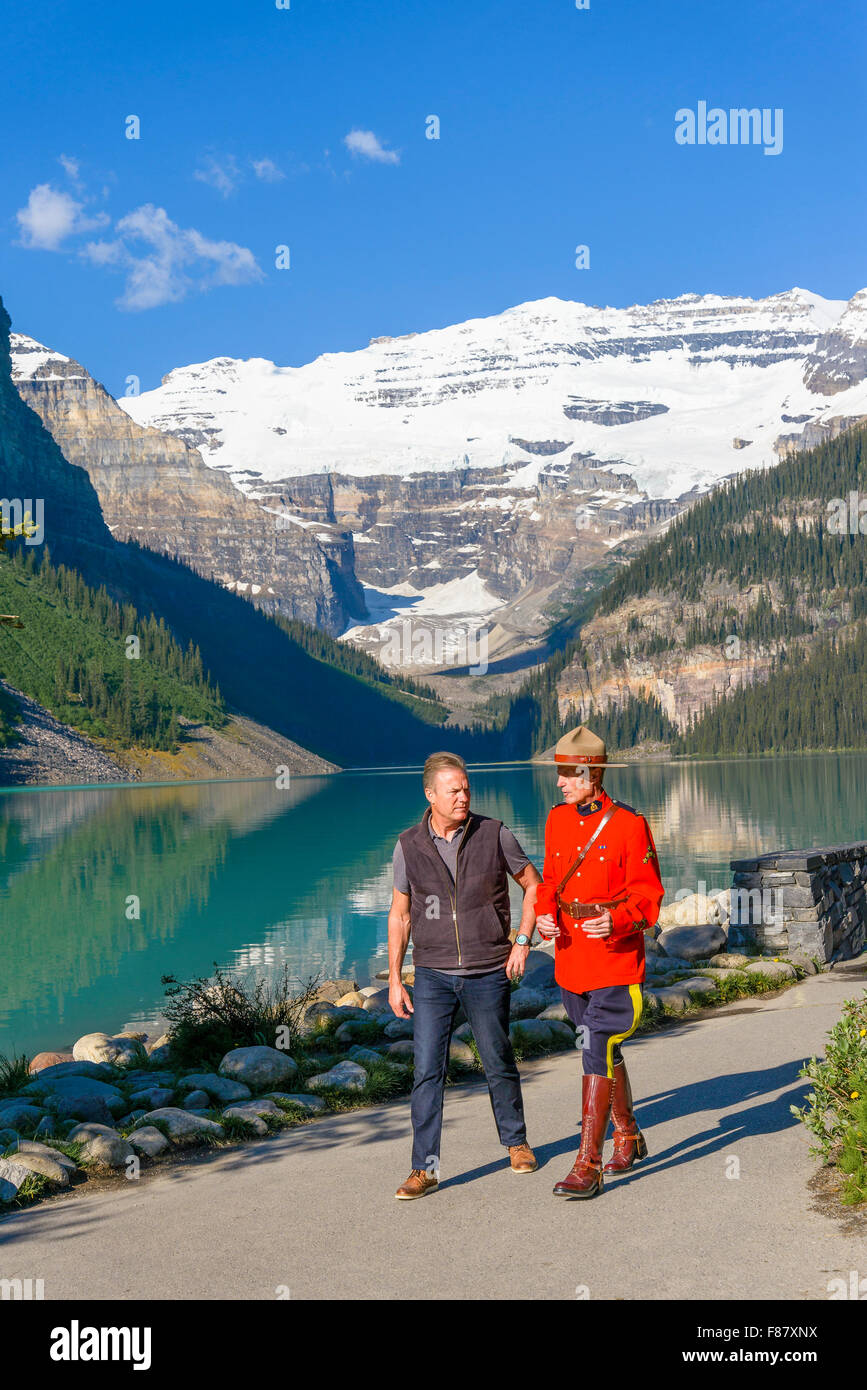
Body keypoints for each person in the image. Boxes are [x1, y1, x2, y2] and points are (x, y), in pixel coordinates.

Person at [388, 751, 542, 1199]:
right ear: (430, 794)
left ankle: (516, 1143)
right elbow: (400, 915)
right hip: (432, 975)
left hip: (487, 969)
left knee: (497, 1058)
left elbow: (535, 884)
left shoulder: (495, 833)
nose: (463, 796)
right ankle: (425, 1169)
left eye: (466, 788)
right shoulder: (407, 845)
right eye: (453, 789)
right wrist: (396, 979)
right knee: (426, 1071)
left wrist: (523, 939)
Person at [535, 725, 664, 1199]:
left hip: (614, 958)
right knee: (603, 1050)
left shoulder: (629, 824)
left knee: (597, 1049)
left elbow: (649, 897)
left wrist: (617, 920)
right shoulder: (556, 820)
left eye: (569, 774)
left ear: (593, 773)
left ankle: (588, 1165)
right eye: (560, 773)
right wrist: (547, 917)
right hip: (571, 958)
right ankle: (627, 1133)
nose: (561, 782)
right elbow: (549, 882)